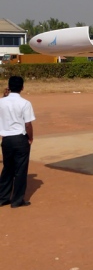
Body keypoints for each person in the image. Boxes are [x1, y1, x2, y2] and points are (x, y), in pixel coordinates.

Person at [0, 76, 36, 208]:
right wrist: (30, 138)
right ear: (22, 87)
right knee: (20, 170)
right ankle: (17, 200)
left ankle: (3, 197)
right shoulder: (25, 103)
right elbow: (28, 124)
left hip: (6, 139)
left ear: (9, 86)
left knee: (7, 168)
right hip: (20, 138)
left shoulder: (1, 102)